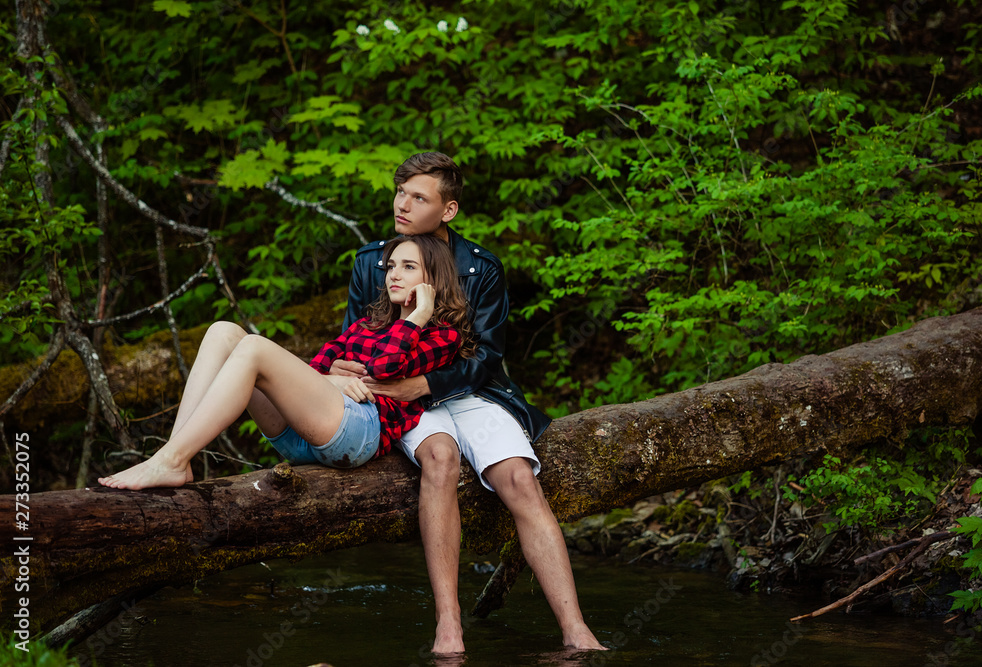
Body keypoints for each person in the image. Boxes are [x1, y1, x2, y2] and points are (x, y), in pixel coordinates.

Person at [331, 152, 605, 653]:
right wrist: (340, 371)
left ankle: (576, 629)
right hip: (398, 393)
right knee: (440, 458)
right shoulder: (373, 261)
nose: (403, 204)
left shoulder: (481, 268)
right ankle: (449, 625)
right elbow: (354, 339)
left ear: (449, 210)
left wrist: (428, 385)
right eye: (400, 192)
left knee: (521, 478)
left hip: (469, 390)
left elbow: (487, 357)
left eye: (419, 197)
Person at [98, 235, 472, 491]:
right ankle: (175, 456)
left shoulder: (441, 334)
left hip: (358, 434)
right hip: (304, 432)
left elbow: (385, 369)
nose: (393, 273)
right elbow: (315, 367)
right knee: (224, 332)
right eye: (391, 266)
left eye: (408, 267)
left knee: (255, 348)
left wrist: (418, 315)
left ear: (432, 279)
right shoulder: (369, 322)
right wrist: (332, 381)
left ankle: (171, 460)